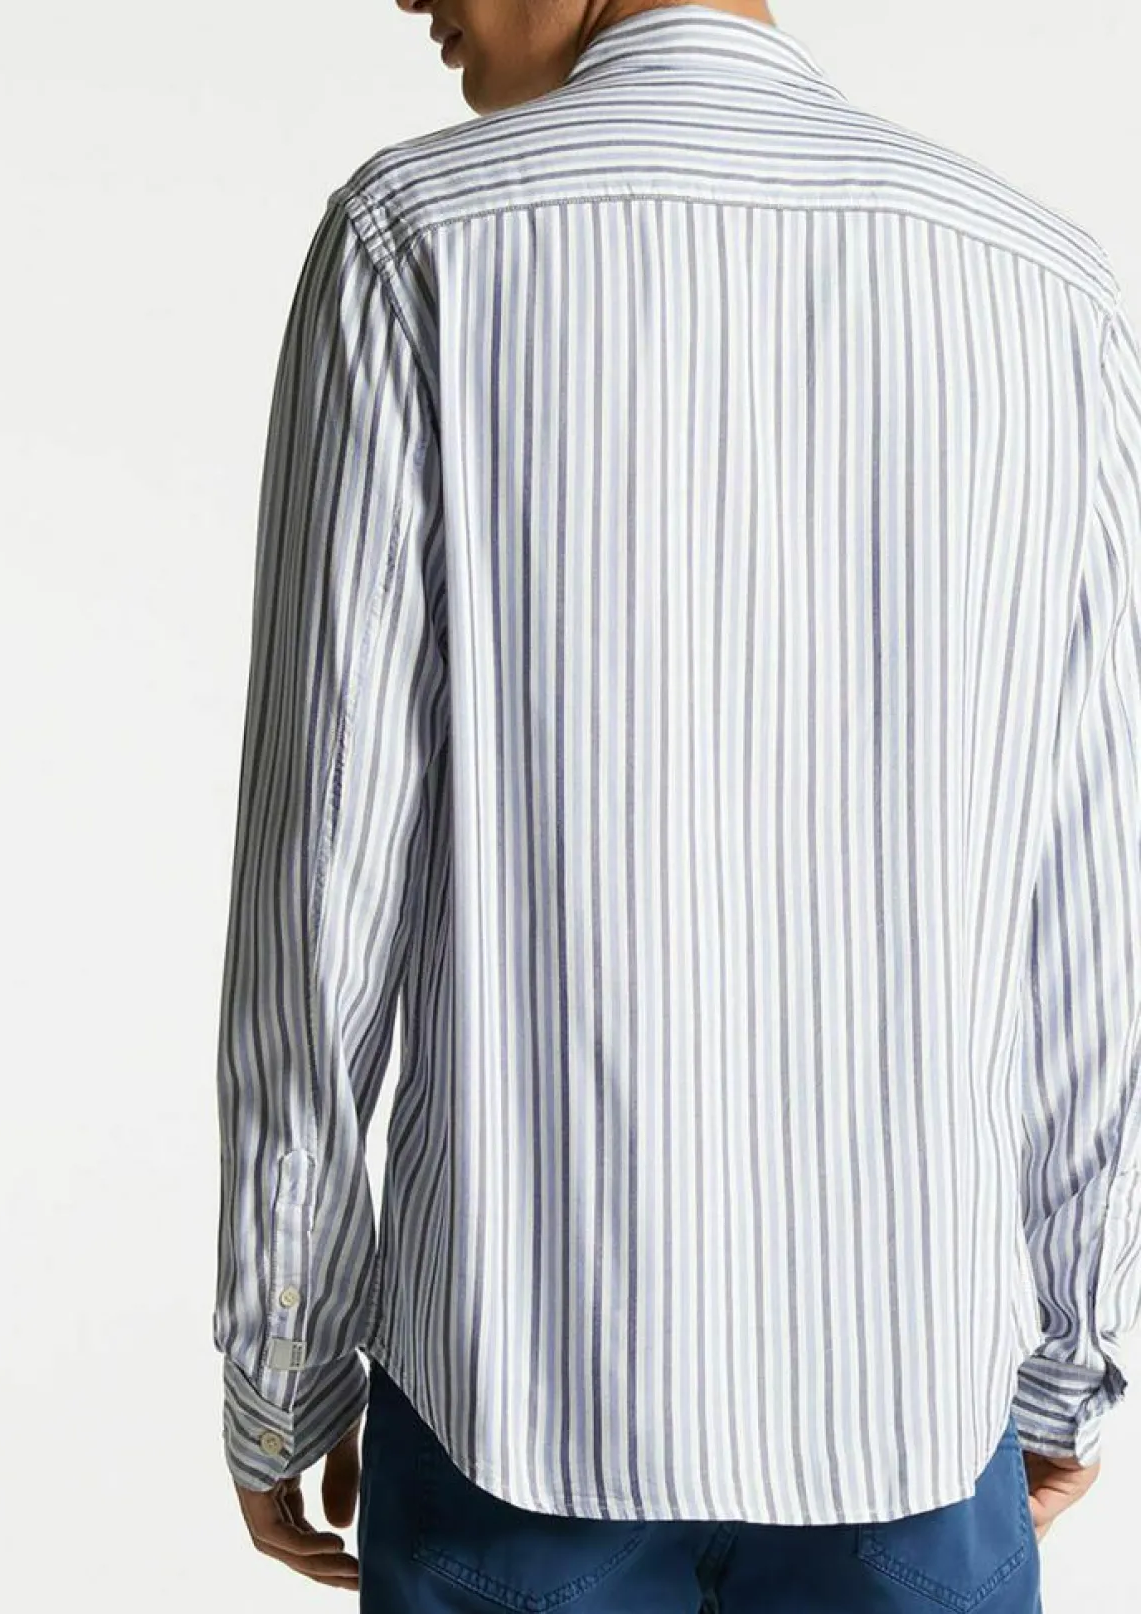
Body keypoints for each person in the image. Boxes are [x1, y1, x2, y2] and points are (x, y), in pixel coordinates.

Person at [210, 2, 1141, 1606]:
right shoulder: (1043, 284)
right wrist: (1078, 1344)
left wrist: (284, 1354)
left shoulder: (421, 241)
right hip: (914, 1419)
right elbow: (1096, 893)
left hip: (516, 1408)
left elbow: (321, 892)